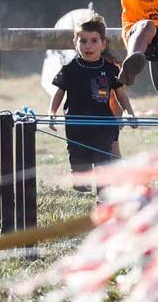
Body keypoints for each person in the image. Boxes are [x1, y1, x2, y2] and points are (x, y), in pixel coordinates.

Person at [49, 17, 130, 180]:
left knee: (103, 163)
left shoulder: (110, 69)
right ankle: (82, 183)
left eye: (94, 41)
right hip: (76, 125)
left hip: (103, 125)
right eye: (83, 41)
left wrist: (131, 113)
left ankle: (103, 194)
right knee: (80, 166)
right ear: (75, 43)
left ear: (103, 44)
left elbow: (121, 95)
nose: (88, 46)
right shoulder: (69, 69)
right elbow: (58, 93)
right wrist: (51, 113)